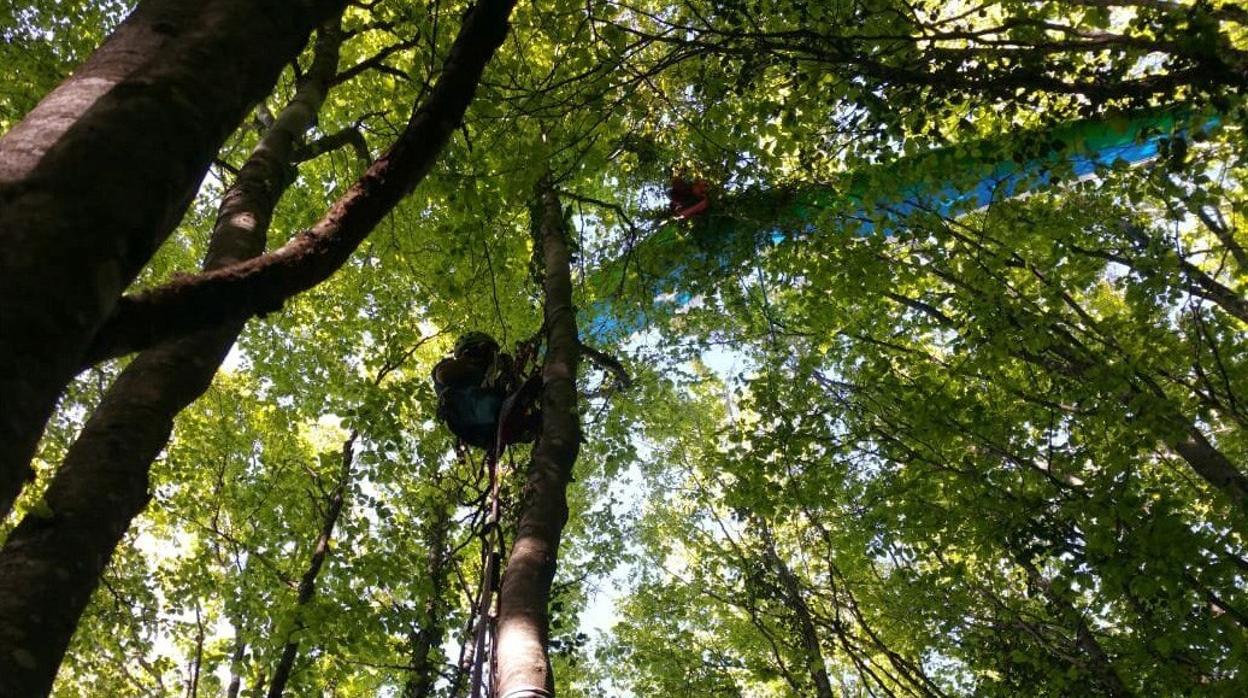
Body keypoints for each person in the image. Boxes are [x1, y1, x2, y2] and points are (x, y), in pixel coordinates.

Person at [432, 332, 539, 451]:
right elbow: (443, 375)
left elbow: (517, 386)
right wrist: (469, 360)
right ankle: (515, 420)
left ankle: (525, 425)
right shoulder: (452, 373)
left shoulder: (498, 367)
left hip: (496, 422)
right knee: (460, 398)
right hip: (476, 420)